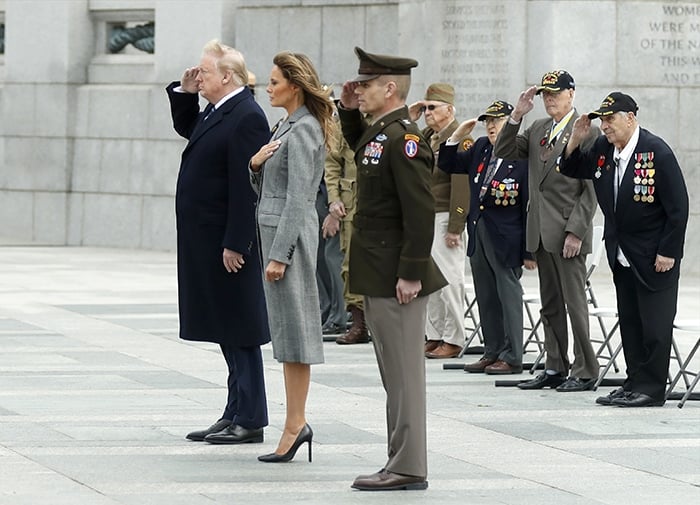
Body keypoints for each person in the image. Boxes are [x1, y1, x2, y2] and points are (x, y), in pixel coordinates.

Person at [337, 47, 446, 491]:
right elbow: (363, 150)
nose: (358, 90)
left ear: (389, 88)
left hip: (397, 274)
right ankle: (398, 460)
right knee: (393, 375)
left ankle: (408, 466)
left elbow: (419, 211)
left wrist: (412, 272)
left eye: (365, 85)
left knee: (404, 378)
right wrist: (347, 111)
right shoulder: (384, 133)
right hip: (380, 268)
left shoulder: (405, 139)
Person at [165, 40, 270, 445]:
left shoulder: (246, 116)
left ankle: (252, 418)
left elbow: (245, 187)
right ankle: (234, 411)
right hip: (206, 241)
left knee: (241, 330)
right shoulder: (220, 110)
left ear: (227, 76)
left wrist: (236, 242)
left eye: (204, 72)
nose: (198, 76)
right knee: (226, 329)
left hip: (228, 244)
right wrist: (185, 94)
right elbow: (190, 131)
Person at [560, 92, 689, 407]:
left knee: (655, 327)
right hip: (622, 252)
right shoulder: (604, 149)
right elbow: (572, 167)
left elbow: (678, 208)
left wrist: (668, 252)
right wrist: (576, 138)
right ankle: (634, 382)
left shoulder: (656, 151)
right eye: (602, 120)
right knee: (630, 322)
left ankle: (652, 388)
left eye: (611, 119)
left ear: (631, 117)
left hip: (654, 255)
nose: (604, 126)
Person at [249, 51, 336, 462]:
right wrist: (255, 164)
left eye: (274, 82)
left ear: (294, 86)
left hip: (290, 243)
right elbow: (272, 189)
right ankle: (294, 422)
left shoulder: (303, 130)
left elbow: (300, 197)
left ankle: (295, 424)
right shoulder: (285, 124)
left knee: (296, 334)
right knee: (286, 334)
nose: (268, 88)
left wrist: (280, 254)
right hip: (275, 238)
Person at [494, 70, 600, 392]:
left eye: (555, 92)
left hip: (568, 232)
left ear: (571, 93)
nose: (549, 99)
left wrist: (577, 231)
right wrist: (516, 116)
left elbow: (590, 190)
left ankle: (585, 369)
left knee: (574, 303)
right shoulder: (539, 127)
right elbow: (504, 150)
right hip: (540, 230)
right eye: (545, 94)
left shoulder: (587, 131)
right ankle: (555, 365)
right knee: (550, 303)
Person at [439, 100, 533, 374]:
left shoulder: (520, 153)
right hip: (480, 232)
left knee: (508, 296)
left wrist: (528, 251)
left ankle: (513, 355)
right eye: (487, 121)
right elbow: (448, 164)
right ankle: (492, 351)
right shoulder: (480, 148)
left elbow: (528, 204)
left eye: (497, 120)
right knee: (486, 295)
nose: (491, 126)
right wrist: (456, 136)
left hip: (507, 238)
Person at [408, 83, 471, 359]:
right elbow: (406, 149)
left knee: (448, 280)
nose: (427, 113)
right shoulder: (427, 137)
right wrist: (409, 120)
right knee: (429, 281)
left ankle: (454, 337)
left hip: (445, 216)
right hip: (426, 216)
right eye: (424, 108)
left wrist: (456, 225)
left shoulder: (458, 137)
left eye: (432, 108)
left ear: (449, 109)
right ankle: (435, 335)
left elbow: (461, 184)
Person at [324, 102, 370, 344]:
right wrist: (334, 200)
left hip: (379, 205)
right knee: (349, 267)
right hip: (351, 205)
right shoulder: (342, 125)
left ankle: (380, 323)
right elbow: (332, 164)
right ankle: (359, 323)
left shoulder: (384, 122)